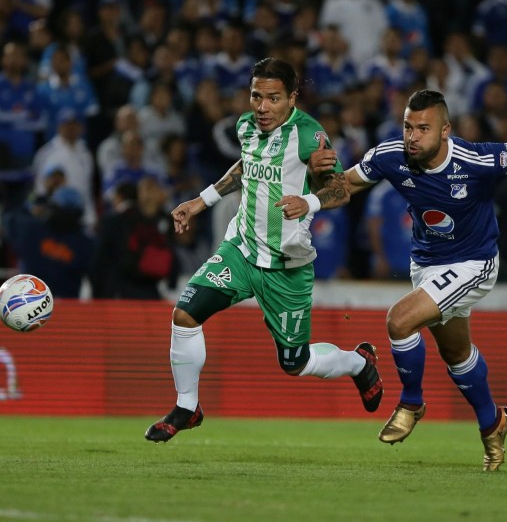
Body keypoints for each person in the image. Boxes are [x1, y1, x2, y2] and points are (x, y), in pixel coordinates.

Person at [309, 89, 507, 471]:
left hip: (473, 263)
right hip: (427, 264)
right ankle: (492, 422)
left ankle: (412, 402)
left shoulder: (478, 159)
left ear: (445, 130)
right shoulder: (390, 156)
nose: (413, 136)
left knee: (399, 320)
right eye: (408, 127)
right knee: (456, 353)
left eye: (423, 128)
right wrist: (318, 181)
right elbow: (342, 188)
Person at [144, 57, 383, 443]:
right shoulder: (245, 126)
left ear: (292, 98)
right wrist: (200, 202)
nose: (262, 107)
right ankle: (187, 407)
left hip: (286, 264)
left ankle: (359, 362)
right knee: (185, 314)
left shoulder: (309, 135)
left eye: (273, 98)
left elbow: (340, 189)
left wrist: (310, 202)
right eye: (256, 96)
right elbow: (244, 167)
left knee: (296, 362)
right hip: (241, 249)